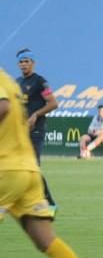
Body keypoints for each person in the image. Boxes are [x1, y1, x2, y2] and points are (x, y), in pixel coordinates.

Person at [0, 67, 103, 258]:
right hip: (29, 172)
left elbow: (3, 108)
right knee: (46, 241)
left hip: (5, 171)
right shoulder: (10, 80)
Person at [16, 49, 58, 208]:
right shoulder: (18, 82)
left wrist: (36, 114)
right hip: (21, 132)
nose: (23, 64)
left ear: (33, 63)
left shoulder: (40, 82)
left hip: (36, 131)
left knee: (32, 167)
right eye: (21, 61)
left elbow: (53, 103)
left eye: (26, 61)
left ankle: (49, 202)